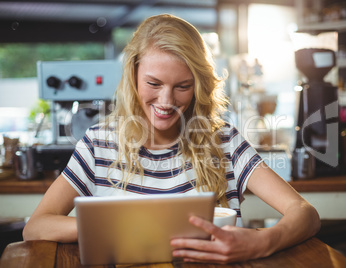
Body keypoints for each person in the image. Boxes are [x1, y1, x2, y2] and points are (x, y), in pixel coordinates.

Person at [23, 14, 320, 264]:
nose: (166, 101)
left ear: (198, 85)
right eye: (154, 83)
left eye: (182, 86)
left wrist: (263, 242)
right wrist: (119, 228)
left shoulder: (224, 141)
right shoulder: (99, 142)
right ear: (134, 75)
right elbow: (36, 226)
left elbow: (305, 213)